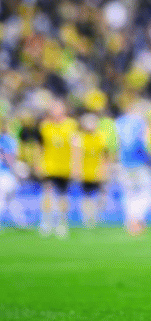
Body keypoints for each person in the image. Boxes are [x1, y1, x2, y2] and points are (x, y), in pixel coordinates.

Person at [38, 99, 81, 238]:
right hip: (49, 165)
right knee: (47, 193)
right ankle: (46, 222)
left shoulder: (71, 125)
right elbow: (40, 146)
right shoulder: (45, 126)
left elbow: (76, 147)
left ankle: (62, 223)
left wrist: (76, 166)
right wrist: (38, 163)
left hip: (64, 166)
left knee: (63, 196)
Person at [114, 102, 151, 236]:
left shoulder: (118, 123)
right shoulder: (140, 123)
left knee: (129, 193)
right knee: (146, 193)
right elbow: (144, 144)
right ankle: (138, 220)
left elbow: (114, 144)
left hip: (123, 164)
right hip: (139, 163)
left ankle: (130, 221)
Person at [78, 113, 110, 229]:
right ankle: (88, 218)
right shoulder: (80, 138)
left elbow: (105, 155)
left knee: (101, 195)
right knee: (86, 196)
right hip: (85, 172)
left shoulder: (101, 137)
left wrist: (105, 169)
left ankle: (98, 216)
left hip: (98, 172)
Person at [0, 117, 27, 230]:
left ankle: (21, 221)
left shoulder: (7, 140)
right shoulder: (9, 140)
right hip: (6, 174)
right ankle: (21, 221)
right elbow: (10, 159)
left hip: (5, 174)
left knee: (6, 199)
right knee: (8, 200)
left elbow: (9, 159)